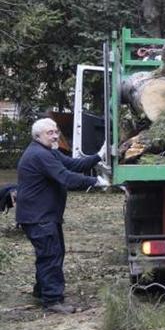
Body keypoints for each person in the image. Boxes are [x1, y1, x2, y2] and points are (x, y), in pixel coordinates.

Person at [15, 118, 109, 314]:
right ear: (38, 136)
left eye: (56, 131)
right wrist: (95, 181)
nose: (56, 135)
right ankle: (52, 300)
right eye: (50, 133)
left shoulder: (49, 152)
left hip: (45, 216)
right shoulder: (39, 155)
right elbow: (66, 177)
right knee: (51, 256)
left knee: (50, 254)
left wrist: (98, 156)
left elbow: (73, 165)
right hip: (39, 218)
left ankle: (41, 292)